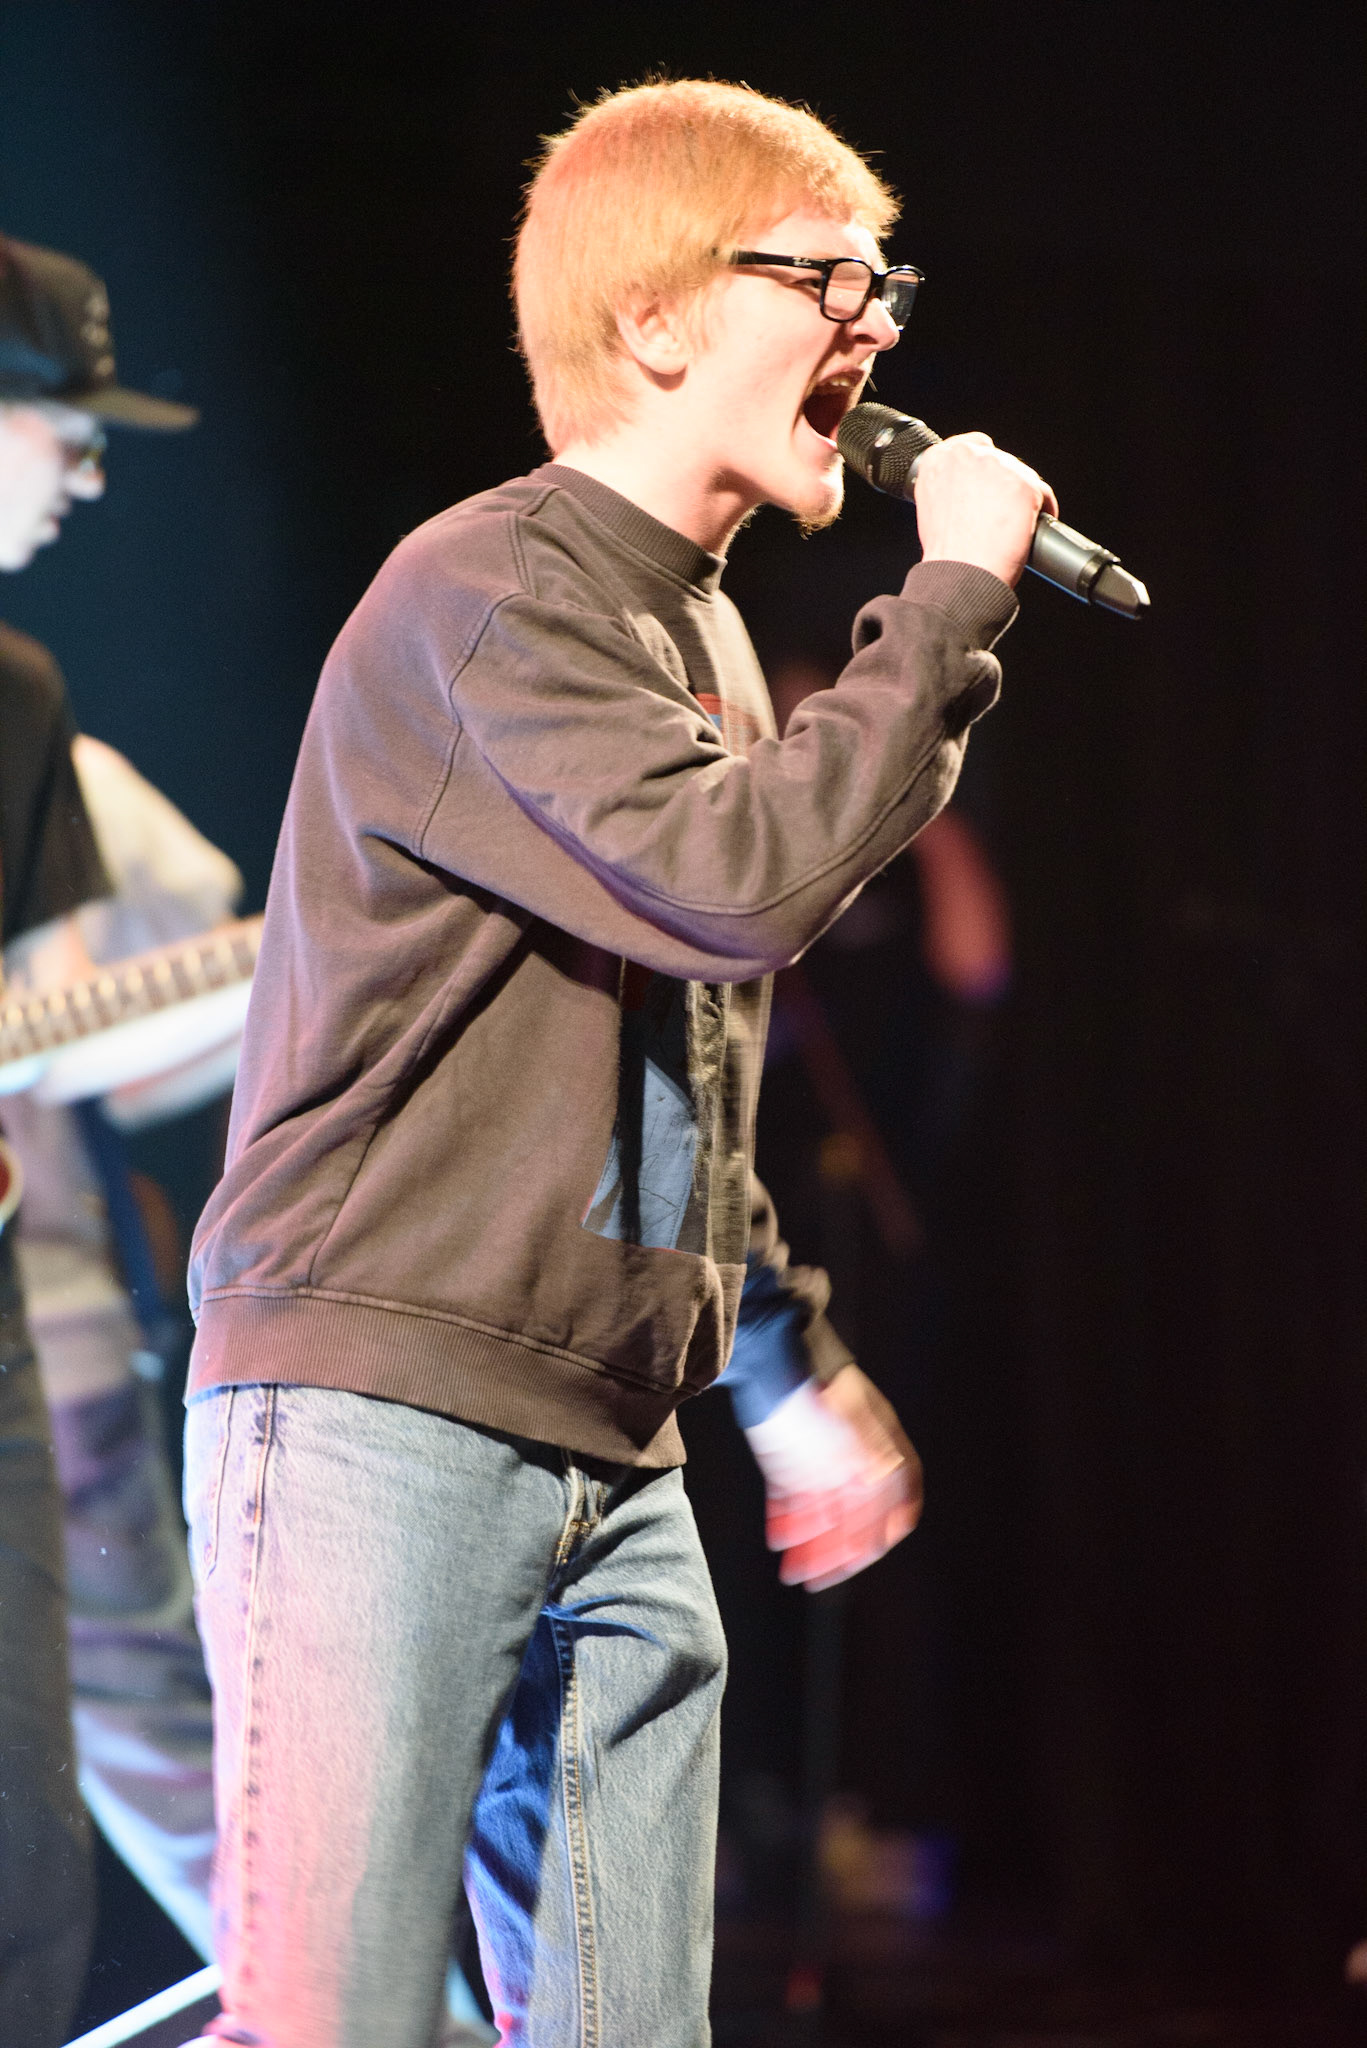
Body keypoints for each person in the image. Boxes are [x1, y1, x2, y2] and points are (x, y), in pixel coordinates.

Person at [182, 78, 1053, 2048]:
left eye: (888, 285)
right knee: (331, 2022)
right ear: (653, 320)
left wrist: (783, 1358)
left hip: (613, 1441)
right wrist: (951, 600)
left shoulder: (713, 644)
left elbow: (682, 1079)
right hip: (383, 1404)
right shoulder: (494, 592)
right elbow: (745, 886)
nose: (877, 324)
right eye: (829, 279)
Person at [0, 228, 208, 2039]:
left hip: (25, 1325)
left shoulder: (25, 701)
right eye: (64, 424)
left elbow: (60, 1035)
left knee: (38, 1852)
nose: (89, 466)